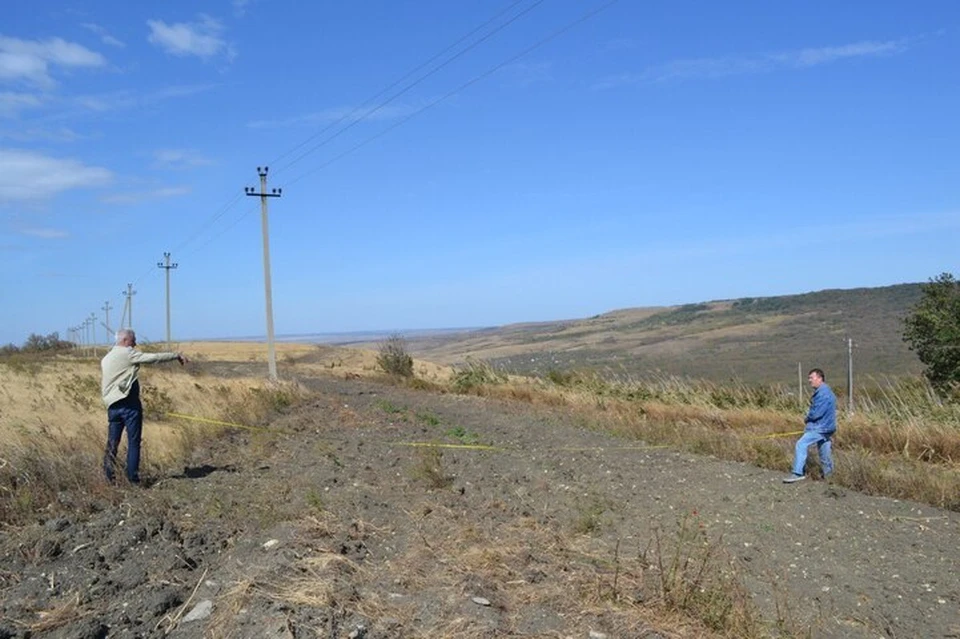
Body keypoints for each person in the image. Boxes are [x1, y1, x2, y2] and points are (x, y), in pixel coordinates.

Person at [100, 328, 187, 484]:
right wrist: (175, 355)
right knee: (134, 442)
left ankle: (108, 477)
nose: (135, 344)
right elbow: (153, 358)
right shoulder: (127, 353)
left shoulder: (106, 358)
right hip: (129, 405)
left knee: (112, 443)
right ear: (125, 341)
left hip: (112, 407)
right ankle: (132, 479)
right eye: (133, 341)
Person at [784, 368, 837, 483]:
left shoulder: (823, 394)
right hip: (826, 427)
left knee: (801, 444)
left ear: (820, 378)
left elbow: (817, 413)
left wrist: (807, 418)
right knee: (824, 449)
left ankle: (797, 472)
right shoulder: (825, 392)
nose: (809, 380)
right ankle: (829, 475)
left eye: (811, 378)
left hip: (820, 427)